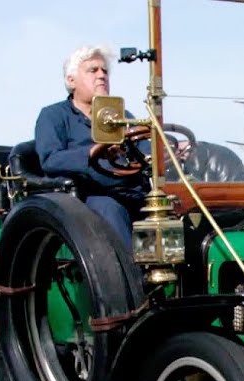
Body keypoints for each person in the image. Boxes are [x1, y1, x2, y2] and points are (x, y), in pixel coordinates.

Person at [34, 45, 149, 249]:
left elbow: (145, 150)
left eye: (105, 71)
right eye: (93, 70)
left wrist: (165, 153)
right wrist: (94, 151)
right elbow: (50, 160)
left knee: (173, 207)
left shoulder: (123, 117)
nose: (101, 75)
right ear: (71, 80)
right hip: (88, 195)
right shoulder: (53, 116)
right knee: (111, 210)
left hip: (131, 190)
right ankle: (129, 279)